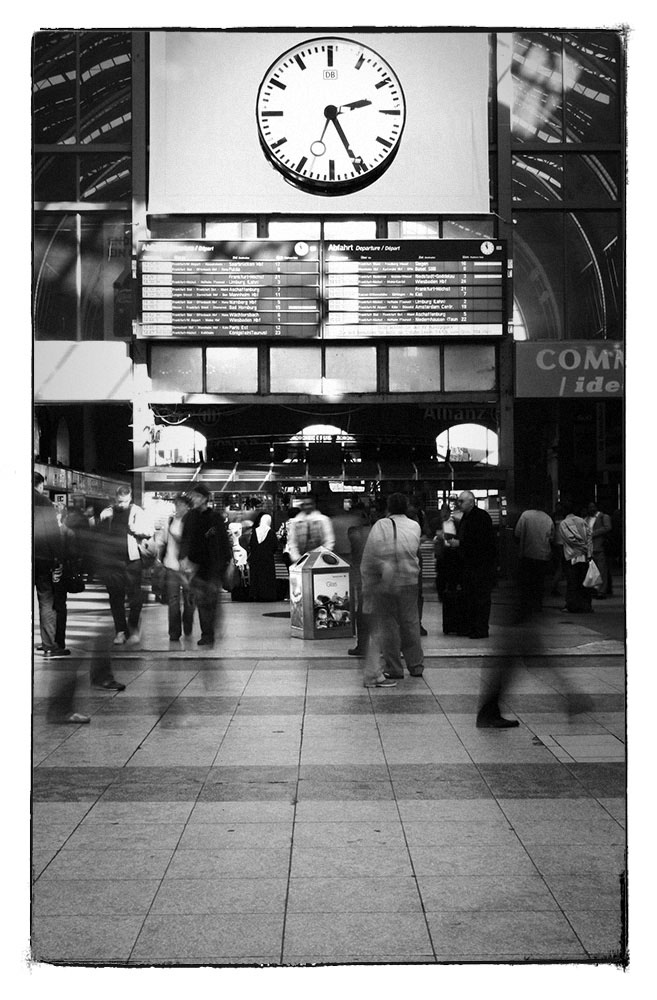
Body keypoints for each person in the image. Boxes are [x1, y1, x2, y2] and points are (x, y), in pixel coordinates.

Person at [360, 492, 424, 686]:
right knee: (411, 622)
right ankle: (416, 665)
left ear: (388, 507)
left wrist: (367, 582)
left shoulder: (381, 525)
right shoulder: (415, 526)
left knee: (389, 625)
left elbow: (371, 555)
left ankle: (394, 668)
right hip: (411, 581)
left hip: (388, 582)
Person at [98, 485, 153, 646]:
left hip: (132, 560)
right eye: (120, 501)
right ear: (116, 499)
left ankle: (133, 627)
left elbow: (149, 531)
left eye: (126, 501)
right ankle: (120, 631)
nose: (122, 504)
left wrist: (135, 528)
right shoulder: (107, 512)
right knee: (115, 597)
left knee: (135, 597)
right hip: (113, 561)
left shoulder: (137, 512)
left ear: (130, 499)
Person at [179, 483, 232, 647]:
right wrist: (183, 559)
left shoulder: (215, 518)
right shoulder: (189, 518)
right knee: (202, 602)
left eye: (195, 496)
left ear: (204, 499)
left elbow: (223, 542)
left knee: (211, 602)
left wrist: (228, 562)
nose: (192, 499)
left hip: (214, 567)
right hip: (196, 567)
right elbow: (185, 540)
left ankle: (210, 630)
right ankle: (207, 633)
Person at [444, 490, 497, 639]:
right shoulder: (467, 517)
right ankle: (473, 627)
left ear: (471, 501)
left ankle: (480, 628)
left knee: (480, 598)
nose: (458, 504)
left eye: (462, 501)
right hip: (470, 564)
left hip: (480, 565)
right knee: (471, 597)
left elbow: (482, 542)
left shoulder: (480, 517)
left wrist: (460, 543)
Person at [33, 471, 67, 658]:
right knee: (46, 601)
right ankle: (48, 645)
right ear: (39, 485)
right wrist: (58, 558)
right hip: (42, 559)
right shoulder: (45, 503)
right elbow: (53, 533)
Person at [156, 493, 194, 641]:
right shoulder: (170, 520)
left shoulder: (192, 522)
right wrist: (158, 559)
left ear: (187, 506)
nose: (176, 507)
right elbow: (161, 540)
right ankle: (174, 632)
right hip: (171, 565)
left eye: (179, 504)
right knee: (172, 600)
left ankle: (188, 622)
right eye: (175, 504)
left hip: (188, 568)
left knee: (190, 600)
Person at [513, 497, 554, 620]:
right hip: (543, 555)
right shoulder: (548, 518)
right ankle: (538, 604)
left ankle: (526, 605)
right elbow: (551, 537)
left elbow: (517, 534)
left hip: (528, 554)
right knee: (539, 582)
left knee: (526, 582)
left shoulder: (525, 515)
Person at [346, 504, 372, 657]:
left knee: (362, 611)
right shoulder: (375, 531)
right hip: (375, 576)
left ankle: (362, 645)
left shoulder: (353, 533)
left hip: (360, 576)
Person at [559, 502, 593, 613]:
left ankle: (572, 605)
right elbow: (589, 537)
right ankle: (586, 605)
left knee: (572, 582)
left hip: (571, 556)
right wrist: (588, 552)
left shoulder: (564, 523)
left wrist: (581, 547)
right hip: (584, 557)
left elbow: (569, 539)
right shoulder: (582, 521)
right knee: (584, 581)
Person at [286, 495, 335, 562]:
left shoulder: (323, 520)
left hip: (321, 559)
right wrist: (297, 558)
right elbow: (292, 542)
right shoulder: (295, 522)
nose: (307, 506)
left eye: (309, 504)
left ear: (314, 505)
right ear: (302, 506)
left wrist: (324, 556)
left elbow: (329, 540)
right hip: (300, 559)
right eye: (305, 504)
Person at [247, 511, 278, 601]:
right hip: (267, 559)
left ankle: (256, 595)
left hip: (255, 558)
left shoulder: (255, 531)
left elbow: (251, 545)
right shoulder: (270, 532)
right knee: (267, 577)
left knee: (256, 577)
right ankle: (267, 595)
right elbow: (275, 546)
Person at [586, 501, 612, 599]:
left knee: (602, 570)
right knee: (593, 571)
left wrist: (593, 533)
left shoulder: (603, 517)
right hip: (591, 548)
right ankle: (595, 589)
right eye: (590, 507)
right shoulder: (588, 518)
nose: (591, 508)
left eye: (593, 506)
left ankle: (602, 591)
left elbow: (608, 527)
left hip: (600, 547)